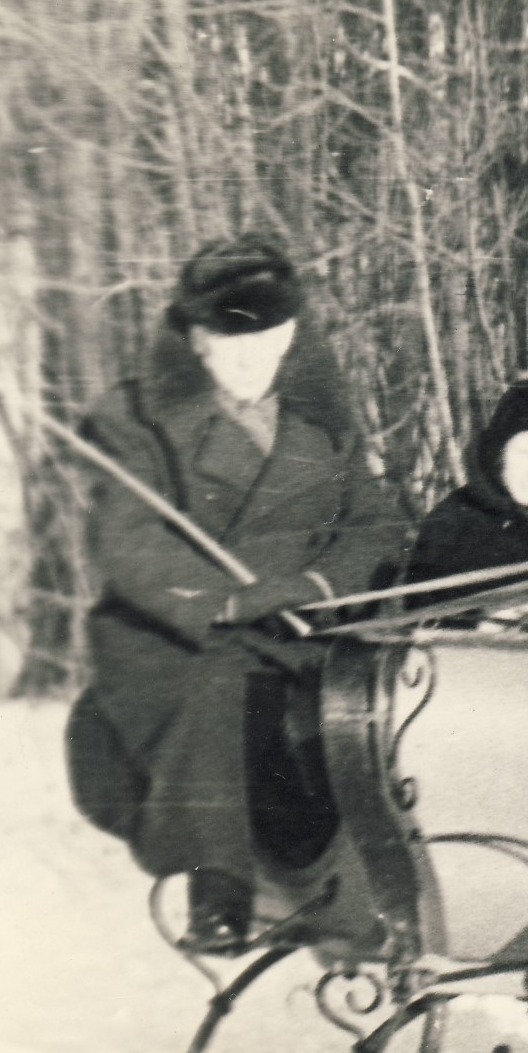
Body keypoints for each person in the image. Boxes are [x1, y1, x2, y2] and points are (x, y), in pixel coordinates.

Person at [63, 235, 408, 949]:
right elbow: (126, 543)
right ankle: (218, 885)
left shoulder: (322, 423)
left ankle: (367, 894)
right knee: (218, 684)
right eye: (229, 335)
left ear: (290, 332)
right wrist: (224, 600)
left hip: (304, 628)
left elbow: (374, 526)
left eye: (269, 334)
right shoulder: (137, 422)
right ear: (195, 338)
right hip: (180, 638)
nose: (252, 355)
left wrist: (314, 585)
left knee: (379, 701)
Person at [402, 378, 528, 624]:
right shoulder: (454, 520)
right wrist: (477, 620)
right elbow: (418, 611)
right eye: (525, 453)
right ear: (499, 450)